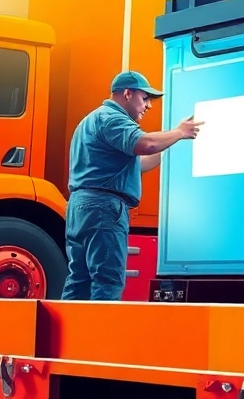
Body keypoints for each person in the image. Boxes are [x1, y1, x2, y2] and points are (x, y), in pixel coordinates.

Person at [61, 70, 202, 301]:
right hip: (103, 209)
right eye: (145, 98)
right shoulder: (113, 118)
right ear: (128, 93)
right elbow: (146, 144)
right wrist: (178, 132)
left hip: (80, 207)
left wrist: (170, 144)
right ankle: (99, 337)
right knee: (108, 280)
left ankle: (71, 336)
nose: (149, 106)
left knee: (79, 280)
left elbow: (141, 162)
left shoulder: (91, 120)